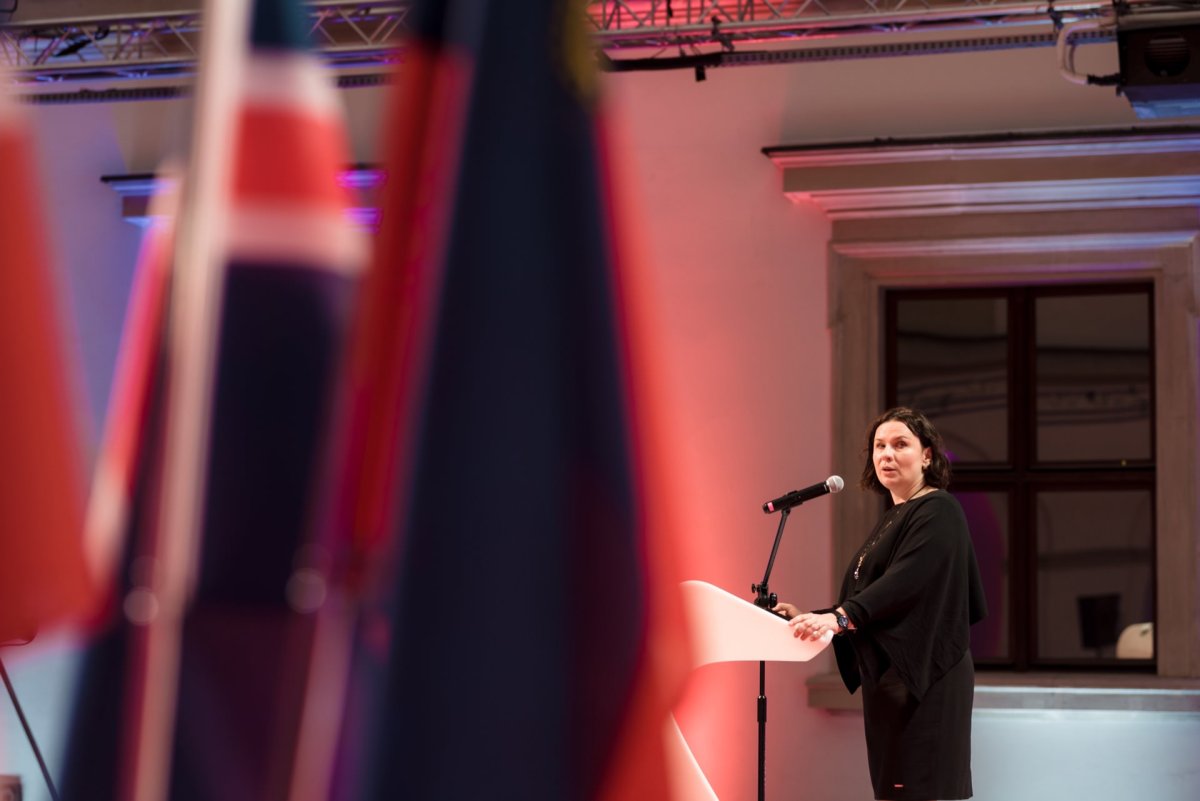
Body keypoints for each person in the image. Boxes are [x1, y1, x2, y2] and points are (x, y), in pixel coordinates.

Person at [774, 407, 987, 801]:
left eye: (900, 444)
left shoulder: (939, 509)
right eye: (879, 446)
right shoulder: (895, 516)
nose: (887, 454)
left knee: (919, 789)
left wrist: (840, 618)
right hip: (893, 681)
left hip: (926, 677)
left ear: (927, 455)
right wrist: (817, 617)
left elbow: (906, 582)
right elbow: (872, 593)